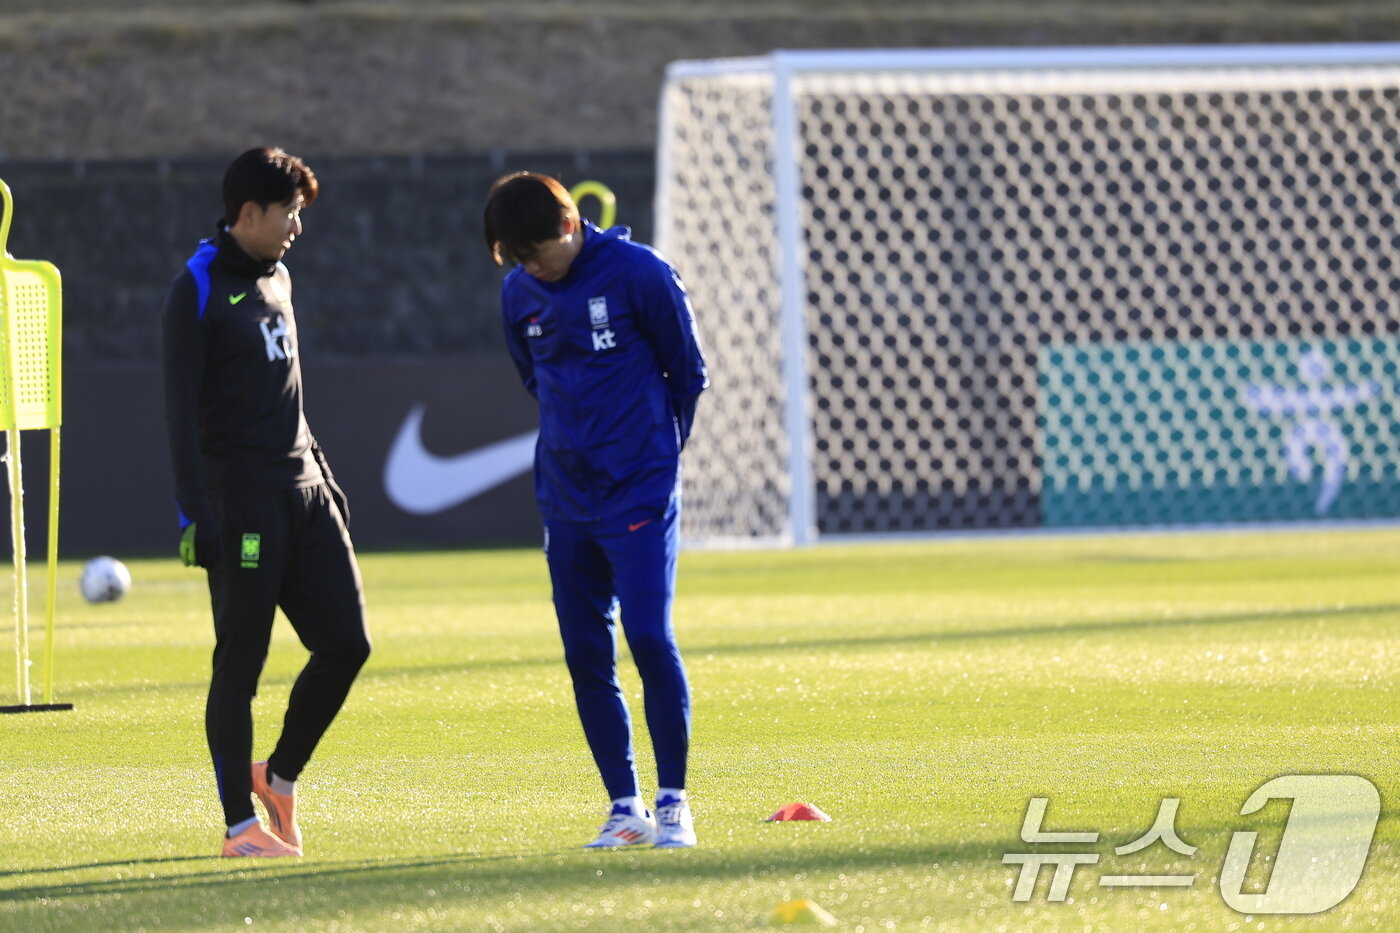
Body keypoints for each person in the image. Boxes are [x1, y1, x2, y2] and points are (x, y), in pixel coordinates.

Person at [484, 172, 709, 848]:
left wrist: (658, 459)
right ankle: (625, 806)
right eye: (517, 256)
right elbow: (535, 378)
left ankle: (673, 802)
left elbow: (688, 371)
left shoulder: (641, 273)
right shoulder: (518, 292)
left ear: (570, 226)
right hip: (566, 496)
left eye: (535, 251)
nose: (530, 266)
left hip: (639, 488)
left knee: (647, 634)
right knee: (586, 650)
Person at [163, 147, 371, 858]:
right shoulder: (195, 288)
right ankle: (238, 827)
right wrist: (195, 514)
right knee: (241, 665)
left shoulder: (279, 276)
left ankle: (277, 775)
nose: (297, 229)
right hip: (244, 500)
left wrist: (325, 477)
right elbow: (178, 412)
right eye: (289, 214)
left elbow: (288, 396)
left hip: (307, 490)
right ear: (248, 213)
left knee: (348, 643)